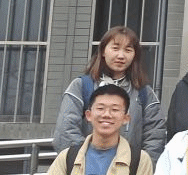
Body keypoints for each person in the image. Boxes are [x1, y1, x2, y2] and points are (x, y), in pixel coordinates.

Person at [53, 25, 167, 163]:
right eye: (115, 48)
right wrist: (88, 163)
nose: (121, 55)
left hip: (129, 170)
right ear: (103, 51)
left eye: (128, 50)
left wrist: (140, 167)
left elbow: (155, 136)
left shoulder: (144, 92)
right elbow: (66, 130)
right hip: (85, 168)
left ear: (134, 55)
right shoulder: (81, 86)